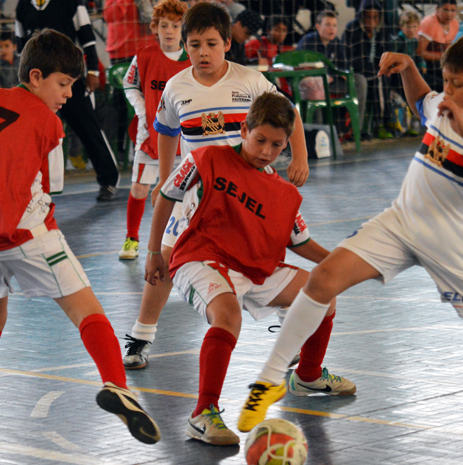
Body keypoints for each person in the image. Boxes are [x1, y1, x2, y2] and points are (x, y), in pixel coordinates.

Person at [237, 33, 463, 431]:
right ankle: (269, 379)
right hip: (400, 223)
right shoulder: (442, 106)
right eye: (446, 81)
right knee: (322, 278)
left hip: (453, 243)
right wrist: (411, 69)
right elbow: (420, 100)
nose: (448, 91)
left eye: (458, 84)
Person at [0, 29, 161, 445]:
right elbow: (52, 187)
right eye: (63, 85)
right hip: (26, 232)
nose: (67, 95)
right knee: (85, 305)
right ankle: (118, 385)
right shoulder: (49, 122)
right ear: (37, 76)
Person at [145, 92, 352, 446]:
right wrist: (154, 251)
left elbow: (300, 243)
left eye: (277, 145)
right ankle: (203, 414)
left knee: (323, 293)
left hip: (251, 266)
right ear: (244, 130)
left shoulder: (284, 193)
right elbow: (166, 195)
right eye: (260, 140)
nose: (267, 151)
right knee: (227, 316)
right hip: (200, 257)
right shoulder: (206, 158)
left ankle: (307, 375)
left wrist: (345, 262)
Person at [122, 2, 309, 370]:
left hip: (251, 190)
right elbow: (166, 132)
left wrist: (299, 158)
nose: (202, 52)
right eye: (194, 45)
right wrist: (165, 177)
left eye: (210, 43)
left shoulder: (251, 80)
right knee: (164, 253)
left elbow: (291, 113)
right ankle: (141, 336)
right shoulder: (177, 87)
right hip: (198, 192)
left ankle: (291, 335)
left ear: (227, 42)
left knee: (268, 255)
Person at [15, 0, 121, 201]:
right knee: (31, 135)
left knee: (88, 128)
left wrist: (91, 70)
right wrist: (23, 81)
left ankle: (109, 179)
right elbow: (21, 47)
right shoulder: (22, 7)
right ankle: (27, 184)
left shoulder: (72, 3)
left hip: (69, 80)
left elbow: (87, 37)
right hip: (37, 85)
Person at [119, 0, 190, 260]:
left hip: (183, 138)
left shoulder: (192, 60)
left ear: (184, 30)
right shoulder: (145, 56)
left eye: (175, 25)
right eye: (164, 25)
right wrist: (141, 109)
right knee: (139, 188)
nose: (169, 30)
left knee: (185, 191)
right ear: (155, 28)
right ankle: (131, 238)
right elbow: (129, 85)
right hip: (149, 133)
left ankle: (182, 240)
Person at [298, 10, 368, 132]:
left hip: (331, 82)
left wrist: (345, 74)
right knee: (317, 87)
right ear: (318, 27)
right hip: (312, 85)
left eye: (334, 25)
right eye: (328, 25)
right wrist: (323, 76)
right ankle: (318, 132)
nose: (332, 29)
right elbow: (301, 67)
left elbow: (343, 66)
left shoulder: (336, 42)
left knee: (360, 81)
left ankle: (355, 130)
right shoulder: (308, 42)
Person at [103, 0, 155, 161]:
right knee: (122, 106)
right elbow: (110, 15)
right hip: (121, 51)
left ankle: (145, 147)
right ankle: (119, 150)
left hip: (147, 48)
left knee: (148, 104)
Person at [343, 0, 393, 139]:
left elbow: (386, 53)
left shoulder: (383, 31)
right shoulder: (351, 29)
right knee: (373, 80)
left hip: (375, 70)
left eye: (375, 17)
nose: (371, 21)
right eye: (368, 17)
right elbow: (348, 58)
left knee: (385, 77)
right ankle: (369, 127)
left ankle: (388, 123)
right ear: (361, 16)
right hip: (357, 72)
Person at [417, 0, 459, 91]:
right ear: (437, 9)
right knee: (446, 86)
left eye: (452, 11)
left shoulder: (455, 24)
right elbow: (419, 52)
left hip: (440, 64)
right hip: (425, 66)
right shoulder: (429, 23)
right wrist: (440, 57)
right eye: (446, 10)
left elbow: (448, 48)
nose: (449, 14)